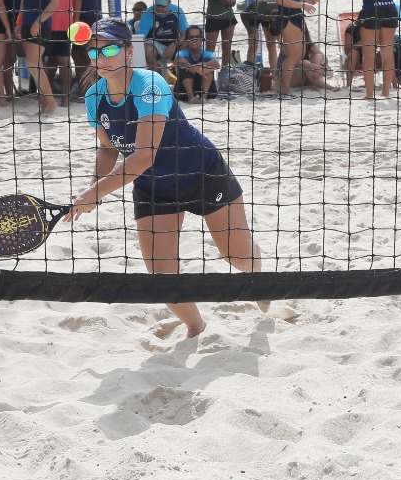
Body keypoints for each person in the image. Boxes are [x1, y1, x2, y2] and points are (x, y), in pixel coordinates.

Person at [68, 19, 266, 337]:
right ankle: (197, 327)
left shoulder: (149, 84)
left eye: (108, 48)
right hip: (154, 188)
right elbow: (108, 149)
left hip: (201, 173)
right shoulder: (94, 96)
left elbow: (144, 155)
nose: (100, 57)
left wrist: (95, 193)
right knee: (162, 277)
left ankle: (263, 284)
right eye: (94, 50)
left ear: (129, 51)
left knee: (239, 258)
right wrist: (94, 188)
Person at [3, 0, 60, 115]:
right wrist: (20, 21)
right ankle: (44, 105)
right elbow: (24, 0)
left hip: (41, 24)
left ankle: (51, 104)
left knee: (32, 64)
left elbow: (55, 3)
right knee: (37, 65)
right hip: (27, 22)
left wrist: (38, 21)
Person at [352, 0, 398, 99]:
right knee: (387, 53)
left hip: (371, 11)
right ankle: (386, 92)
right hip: (390, 10)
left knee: (369, 55)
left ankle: (370, 94)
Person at [44, 0, 83, 107]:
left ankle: (47, 96)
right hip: (66, 20)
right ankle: (66, 99)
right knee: (63, 59)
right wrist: (75, 21)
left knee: (45, 60)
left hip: (46, 20)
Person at [274, 0, 317, 96]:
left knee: (297, 54)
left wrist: (305, 0)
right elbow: (280, 0)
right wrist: (303, 5)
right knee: (292, 56)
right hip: (288, 17)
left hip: (295, 16)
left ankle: (283, 86)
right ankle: (284, 88)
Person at [199, 0, 243, 68]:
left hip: (228, 17)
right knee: (210, 50)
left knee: (227, 48)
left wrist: (230, 1)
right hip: (213, 17)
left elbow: (233, 2)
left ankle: (224, 75)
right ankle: (208, 75)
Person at [131, 0, 189, 71]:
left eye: (163, 6)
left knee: (186, 43)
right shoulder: (147, 14)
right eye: (158, 5)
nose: (160, 9)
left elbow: (184, 34)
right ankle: (157, 75)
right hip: (156, 45)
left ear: (169, 3)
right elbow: (140, 39)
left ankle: (180, 72)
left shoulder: (178, 11)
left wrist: (174, 44)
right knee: (147, 48)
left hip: (175, 43)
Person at [172, 26, 220, 102]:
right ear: (187, 40)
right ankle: (191, 97)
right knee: (185, 66)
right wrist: (191, 67)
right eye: (191, 37)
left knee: (208, 66)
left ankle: (204, 97)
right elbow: (178, 61)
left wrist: (202, 65)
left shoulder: (208, 54)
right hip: (183, 93)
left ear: (201, 40)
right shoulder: (181, 53)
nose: (194, 39)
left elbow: (216, 63)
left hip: (208, 91)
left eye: (197, 37)